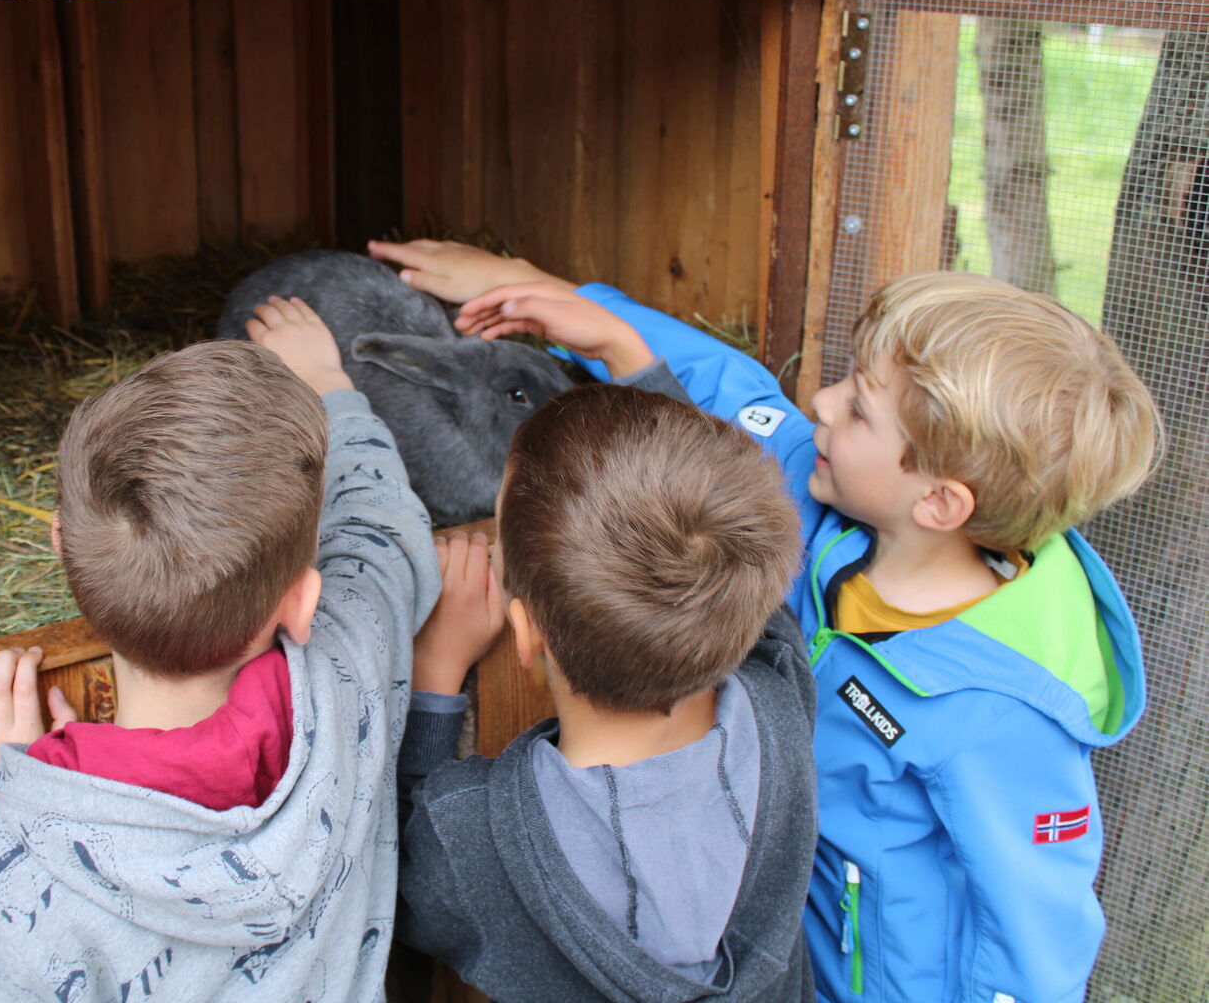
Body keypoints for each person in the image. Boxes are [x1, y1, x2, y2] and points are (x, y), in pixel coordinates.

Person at [372, 238, 1161, 1003]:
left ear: (940, 501)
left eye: (860, 408)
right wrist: (599, 324)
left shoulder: (1001, 714)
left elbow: (1037, 928)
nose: (820, 402)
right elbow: (734, 394)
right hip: (773, 935)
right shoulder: (836, 521)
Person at [0, 298, 439, 1002]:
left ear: (59, 546)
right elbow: (380, 523)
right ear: (302, 601)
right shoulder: (352, 659)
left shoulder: (10, 868)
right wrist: (329, 383)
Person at [396, 382, 817, 1002]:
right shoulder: (780, 687)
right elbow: (723, 544)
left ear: (526, 633)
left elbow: (407, 882)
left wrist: (434, 675)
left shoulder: (472, 835)